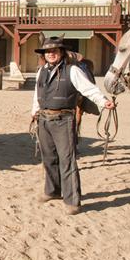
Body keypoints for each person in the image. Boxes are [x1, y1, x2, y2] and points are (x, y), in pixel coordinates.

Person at [31, 36, 115, 215]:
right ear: (44, 54)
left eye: (54, 51)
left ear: (61, 52)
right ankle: (52, 191)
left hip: (63, 119)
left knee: (67, 160)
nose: (51, 54)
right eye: (48, 52)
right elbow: (37, 93)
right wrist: (34, 110)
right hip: (43, 119)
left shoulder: (73, 70)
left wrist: (103, 101)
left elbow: (89, 89)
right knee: (48, 158)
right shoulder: (41, 72)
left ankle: (72, 201)